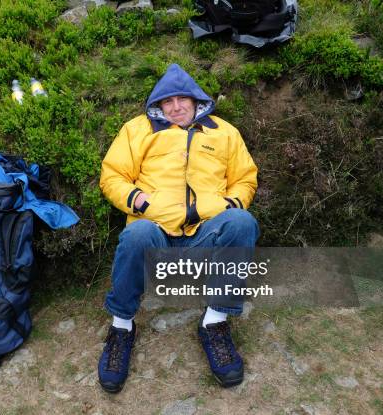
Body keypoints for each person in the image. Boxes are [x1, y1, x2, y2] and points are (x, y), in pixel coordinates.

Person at [97, 63, 259, 393]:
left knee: (243, 222)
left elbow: (244, 178)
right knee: (136, 234)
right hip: (154, 233)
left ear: (196, 101)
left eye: (181, 100)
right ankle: (121, 327)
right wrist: (139, 201)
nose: (175, 107)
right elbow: (112, 176)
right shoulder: (137, 130)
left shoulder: (224, 132)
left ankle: (215, 322)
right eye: (166, 102)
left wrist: (230, 205)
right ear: (158, 105)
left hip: (205, 234)